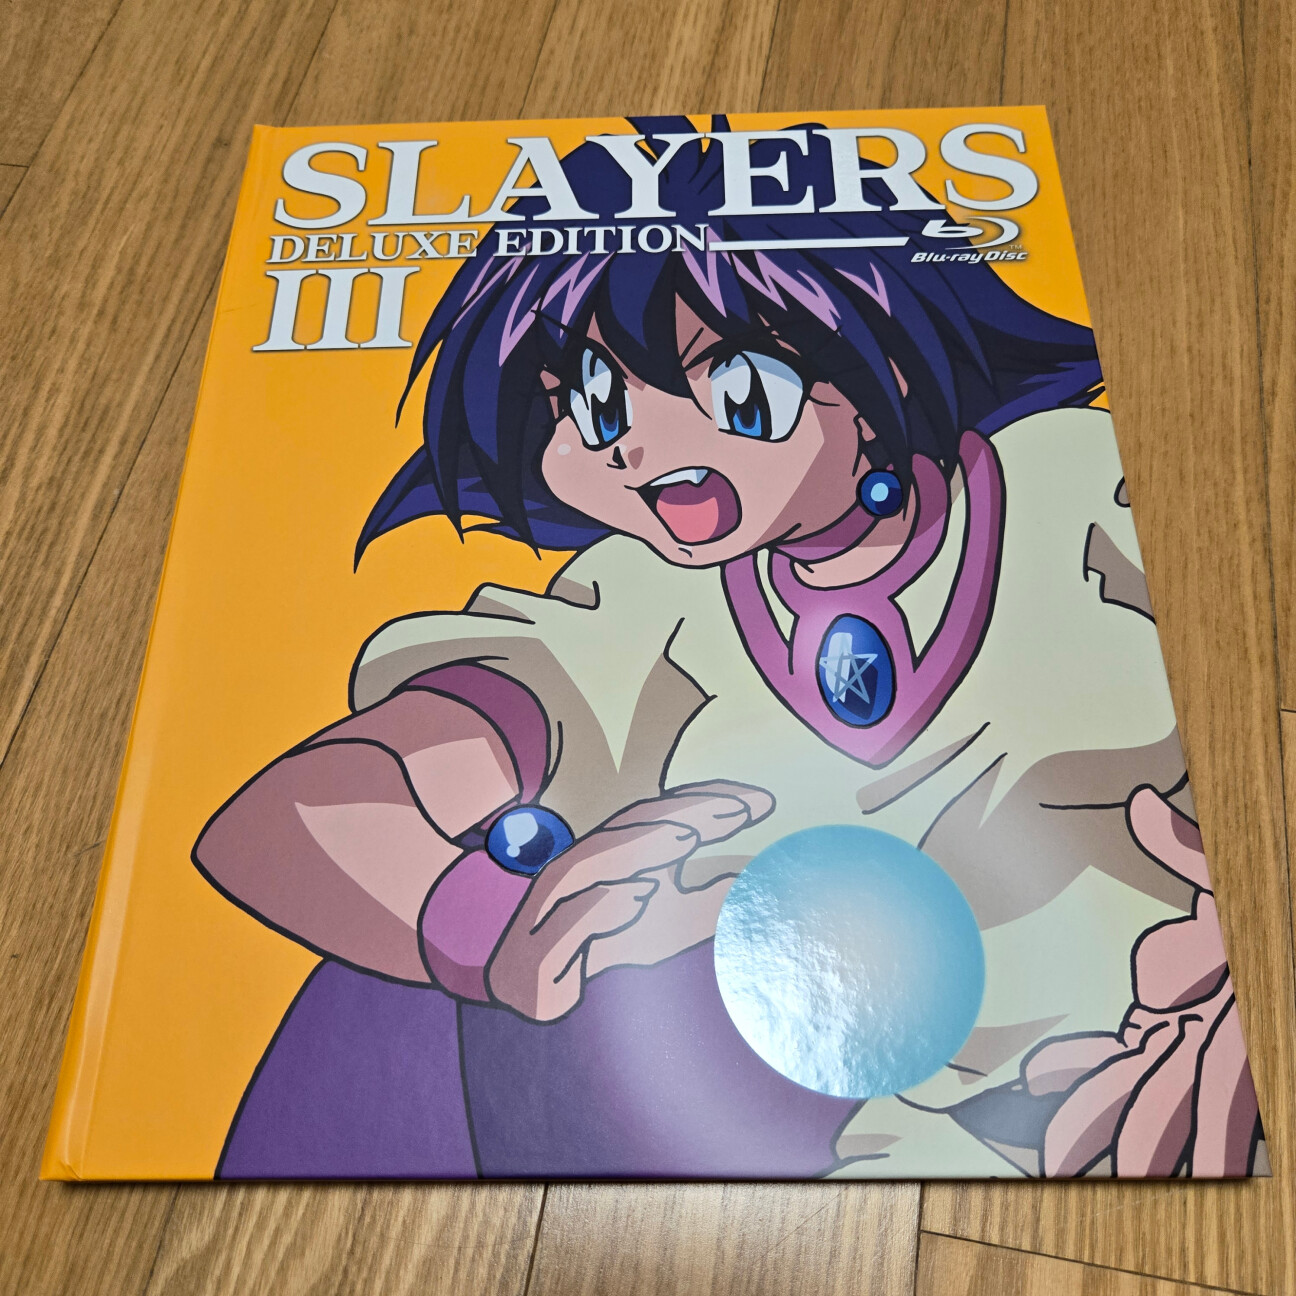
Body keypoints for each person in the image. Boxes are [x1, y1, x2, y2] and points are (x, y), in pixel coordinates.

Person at [195, 120, 1260, 1179]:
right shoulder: (643, 602)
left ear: (883, 362)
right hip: (881, 1146)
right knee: (368, 1012)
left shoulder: (1076, 484)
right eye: (595, 403)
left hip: (1173, 1051)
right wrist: (480, 927)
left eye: (737, 388)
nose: (638, 445)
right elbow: (302, 808)